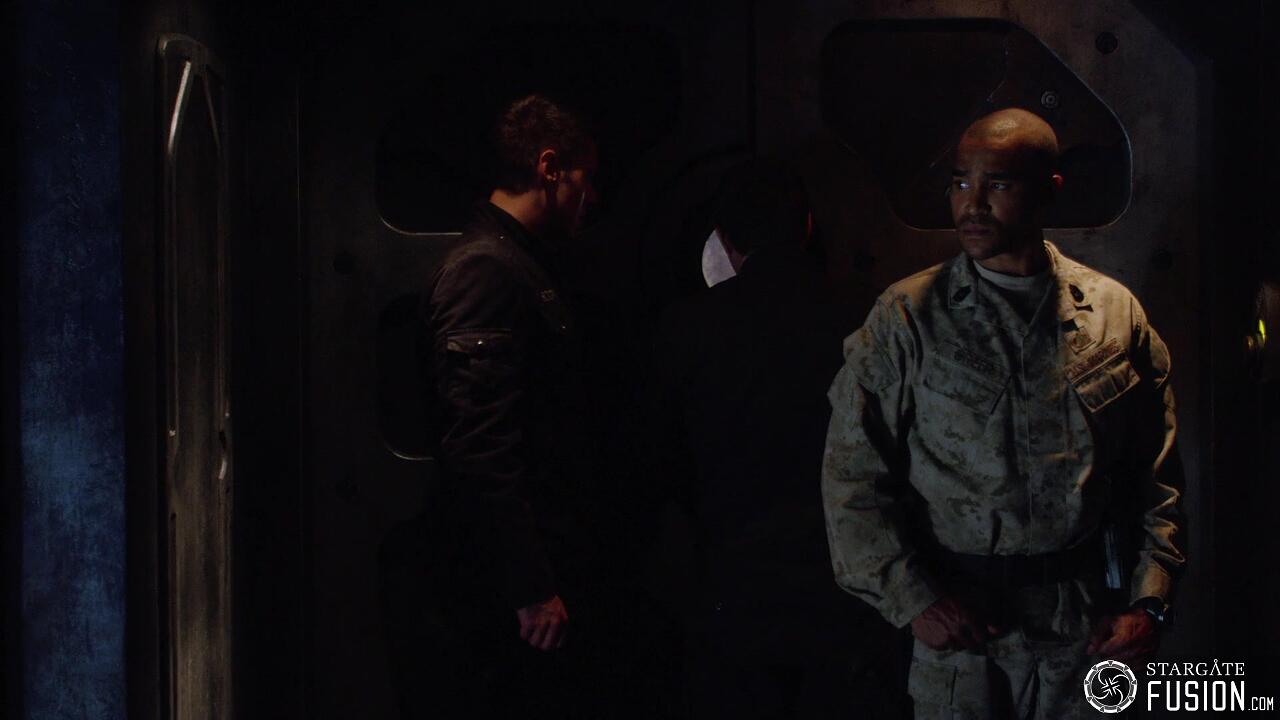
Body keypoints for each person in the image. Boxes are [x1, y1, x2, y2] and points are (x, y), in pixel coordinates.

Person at [820, 108, 1185, 719]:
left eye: (999, 184)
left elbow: (1156, 480)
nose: (973, 204)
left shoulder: (1111, 315)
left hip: (1085, 634)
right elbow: (851, 479)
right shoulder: (909, 318)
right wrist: (913, 600)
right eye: (961, 182)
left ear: (1049, 190)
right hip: (968, 640)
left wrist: (1149, 603)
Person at [380, 94, 602, 719]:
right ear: (549, 168)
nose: (591, 198)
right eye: (586, 178)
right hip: (505, 594)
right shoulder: (487, 271)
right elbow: (480, 447)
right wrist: (530, 587)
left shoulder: (516, 264)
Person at [653, 159, 900, 719]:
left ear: (724, 240)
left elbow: (663, 462)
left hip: (732, 585)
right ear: (807, 225)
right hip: (850, 583)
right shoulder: (868, 313)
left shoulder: (686, 326)